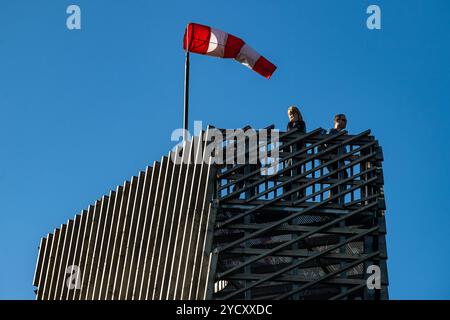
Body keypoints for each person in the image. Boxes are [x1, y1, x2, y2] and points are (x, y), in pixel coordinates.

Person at [284, 106, 306, 201]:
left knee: (297, 171)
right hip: (290, 152)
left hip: (298, 151)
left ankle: (300, 194)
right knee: (287, 172)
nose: (291, 116)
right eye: (290, 115)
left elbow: (296, 131)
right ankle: (287, 195)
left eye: (293, 114)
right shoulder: (289, 125)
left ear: (298, 114)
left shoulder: (301, 123)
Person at [327, 114, 349, 204]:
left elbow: (343, 151)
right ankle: (332, 200)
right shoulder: (332, 131)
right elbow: (328, 144)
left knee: (342, 177)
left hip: (339, 160)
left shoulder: (341, 134)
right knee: (336, 177)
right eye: (344, 120)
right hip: (333, 159)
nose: (345, 122)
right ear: (337, 120)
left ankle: (336, 199)